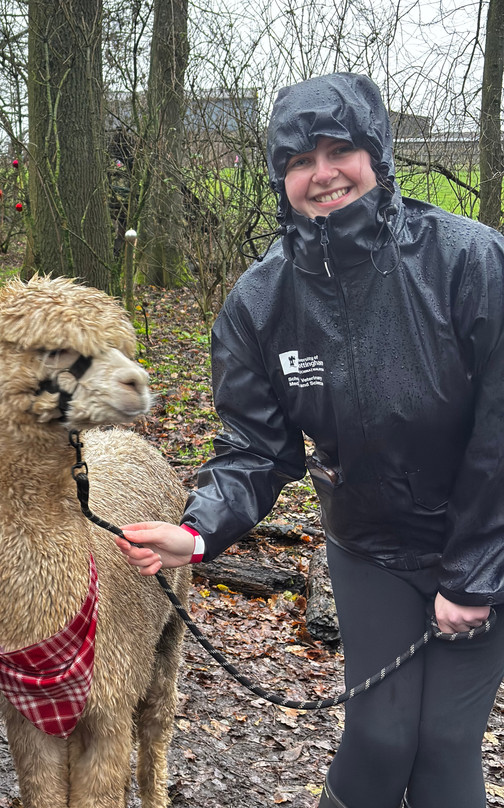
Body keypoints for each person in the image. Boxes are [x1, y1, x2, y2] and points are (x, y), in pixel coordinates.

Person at [116, 72, 504, 808]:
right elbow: (257, 451)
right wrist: (196, 532)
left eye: (339, 151)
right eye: (300, 160)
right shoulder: (259, 305)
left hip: (484, 535)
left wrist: (475, 575)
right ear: (280, 178)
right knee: (382, 740)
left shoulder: (470, 262)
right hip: (369, 547)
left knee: (448, 747)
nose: (322, 174)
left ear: (378, 155)